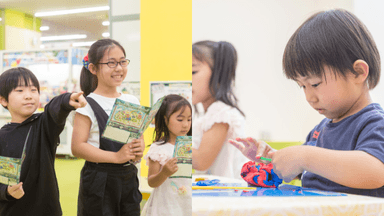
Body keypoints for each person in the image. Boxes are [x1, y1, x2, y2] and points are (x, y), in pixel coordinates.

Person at [230, 9, 384, 197]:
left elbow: (376, 171)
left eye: (315, 84)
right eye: (302, 86)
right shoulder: (320, 130)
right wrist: (273, 159)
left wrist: (304, 156)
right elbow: (304, 170)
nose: (309, 97)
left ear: (358, 72)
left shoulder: (374, 123)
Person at [71, 39, 144, 215]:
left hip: (128, 177)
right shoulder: (87, 104)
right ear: (93, 69)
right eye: (111, 63)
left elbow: (138, 138)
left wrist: (139, 148)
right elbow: (77, 147)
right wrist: (116, 156)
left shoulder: (131, 101)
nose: (119, 68)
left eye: (122, 61)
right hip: (99, 180)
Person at [0, 67, 86, 215]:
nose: (29, 96)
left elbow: (54, 108)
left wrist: (67, 100)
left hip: (45, 209)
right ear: (3, 100)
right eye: (20, 91)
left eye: (33, 90)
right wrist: (6, 192)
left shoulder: (44, 125)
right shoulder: (2, 135)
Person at [192, 40, 248, 179]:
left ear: (218, 74)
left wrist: (171, 141)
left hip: (226, 194)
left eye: (193, 71)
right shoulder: (210, 113)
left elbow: (201, 161)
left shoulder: (220, 113)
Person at [142, 94, 192, 216]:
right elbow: (151, 182)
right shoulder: (159, 149)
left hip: (187, 203)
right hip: (166, 205)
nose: (185, 124)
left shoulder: (191, 145)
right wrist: (164, 173)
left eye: (189, 119)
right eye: (180, 120)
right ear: (165, 119)